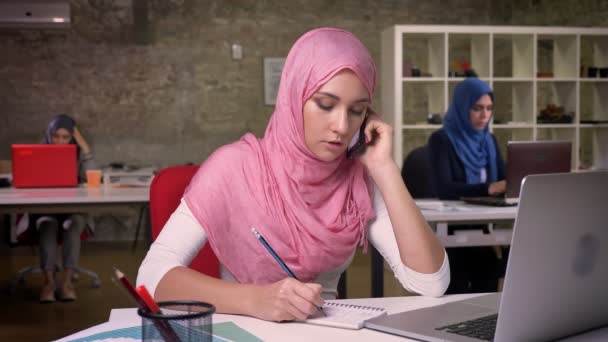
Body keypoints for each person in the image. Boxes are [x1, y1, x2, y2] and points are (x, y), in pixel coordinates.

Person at [137, 28, 450, 322]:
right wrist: (256, 299)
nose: (341, 126)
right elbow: (151, 277)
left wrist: (385, 168)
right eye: (325, 104)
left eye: (356, 111)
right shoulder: (233, 167)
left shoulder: (357, 179)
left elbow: (431, 282)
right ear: (293, 97)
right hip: (244, 331)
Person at [427, 77, 507, 294]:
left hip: (483, 230)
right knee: (460, 278)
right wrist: (487, 189)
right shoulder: (441, 140)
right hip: (450, 233)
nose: (485, 115)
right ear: (463, 107)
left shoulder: (488, 141)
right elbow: (443, 189)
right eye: (477, 108)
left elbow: (503, 179)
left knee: (490, 272)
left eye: (489, 109)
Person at [33, 113, 96, 303]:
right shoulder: (38, 153)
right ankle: (48, 283)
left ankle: (67, 283)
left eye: (66, 137)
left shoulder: (79, 155)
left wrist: (84, 148)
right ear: (49, 135)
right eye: (56, 136)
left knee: (73, 224)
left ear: (73, 138)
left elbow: (94, 177)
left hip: (73, 209)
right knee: (47, 224)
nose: (60, 141)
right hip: (46, 209)